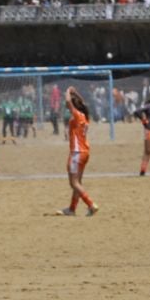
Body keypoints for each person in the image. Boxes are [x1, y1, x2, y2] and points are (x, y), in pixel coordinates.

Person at [61, 87, 98, 216]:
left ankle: (91, 205)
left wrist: (68, 90)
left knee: (74, 183)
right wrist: (75, 92)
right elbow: (82, 102)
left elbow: (67, 102)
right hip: (85, 152)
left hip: (77, 152)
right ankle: (72, 209)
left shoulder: (76, 115)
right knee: (78, 182)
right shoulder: (85, 116)